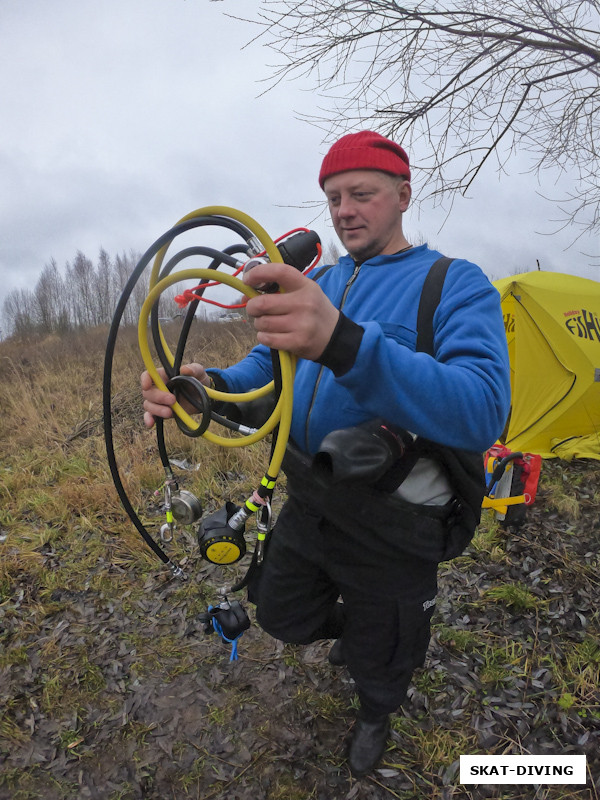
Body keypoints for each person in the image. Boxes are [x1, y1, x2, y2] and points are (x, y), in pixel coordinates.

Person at [141, 131, 511, 777]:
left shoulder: (452, 283)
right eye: (333, 197)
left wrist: (343, 340)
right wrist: (204, 389)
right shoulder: (321, 280)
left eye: (361, 194)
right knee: (280, 612)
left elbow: (482, 409)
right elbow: (262, 376)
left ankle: (376, 709)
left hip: (397, 522)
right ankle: (363, 632)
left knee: (385, 652)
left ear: (402, 195)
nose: (343, 210)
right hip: (310, 497)